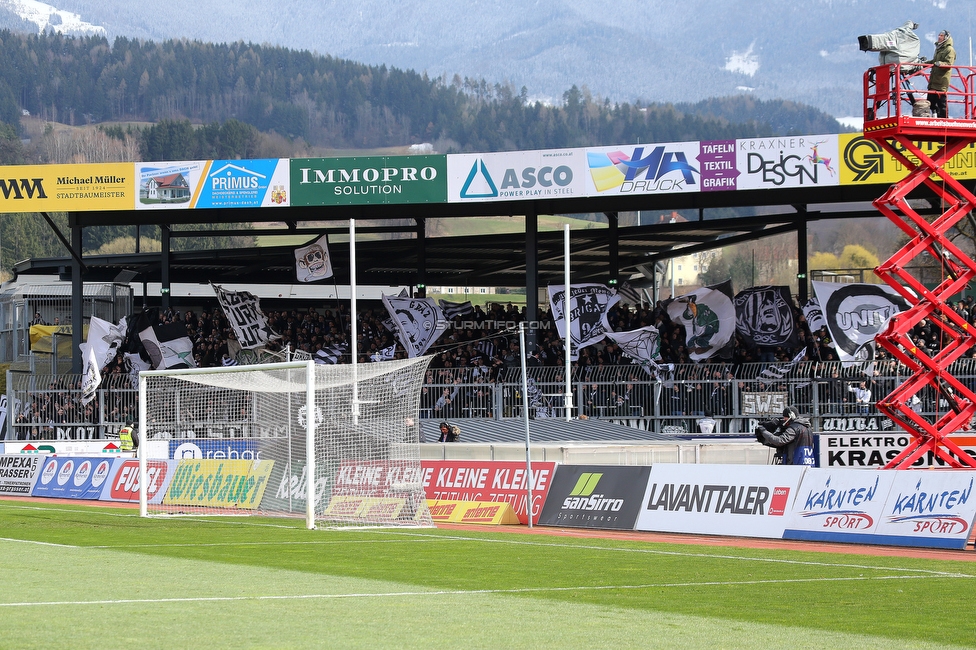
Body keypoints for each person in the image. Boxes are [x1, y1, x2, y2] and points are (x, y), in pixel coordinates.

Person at [927, 30, 955, 118]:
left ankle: (944, 120)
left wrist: (940, 64)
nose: (939, 37)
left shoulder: (949, 50)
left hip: (941, 82)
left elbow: (949, 64)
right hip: (933, 82)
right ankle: (933, 118)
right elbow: (934, 62)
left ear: (946, 37)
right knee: (930, 102)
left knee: (941, 103)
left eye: (942, 35)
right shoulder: (939, 49)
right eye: (939, 35)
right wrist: (924, 63)